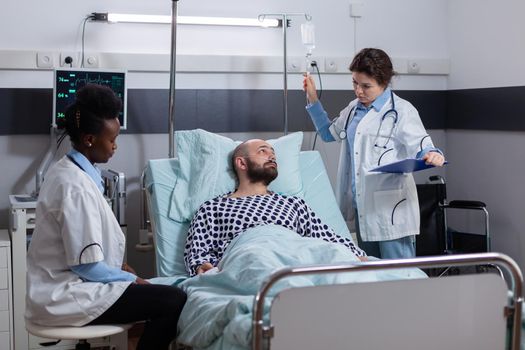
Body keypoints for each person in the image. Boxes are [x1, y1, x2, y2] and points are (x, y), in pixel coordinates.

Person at [26, 84, 186, 350]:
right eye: (111, 140)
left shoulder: (70, 171)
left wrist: (118, 270)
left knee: (167, 295)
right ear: (89, 139)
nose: (115, 147)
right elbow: (85, 266)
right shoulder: (74, 187)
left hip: (70, 287)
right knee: (172, 301)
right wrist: (133, 280)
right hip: (65, 295)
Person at [303, 48, 445, 259]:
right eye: (355, 83)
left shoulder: (402, 111)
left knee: (399, 279)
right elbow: (327, 133)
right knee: (370, 275)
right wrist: (313, 99)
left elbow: (422, 145)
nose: (359, 91)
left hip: (392, 211)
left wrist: (433, 154)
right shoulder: (353, 109)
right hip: (363, 208)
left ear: (384, 82)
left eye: (366, 86)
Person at [183, 139, 367, 276]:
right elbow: (197, 253)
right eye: (263, 151)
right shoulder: (213, 207)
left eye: (273, 153)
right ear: (241, 163)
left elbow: (327, 239)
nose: (272, 156)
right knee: (258, 261)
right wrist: (201, 266)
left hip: (298, 254)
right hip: (250, 255)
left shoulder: (294, 204)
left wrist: (357, 256)